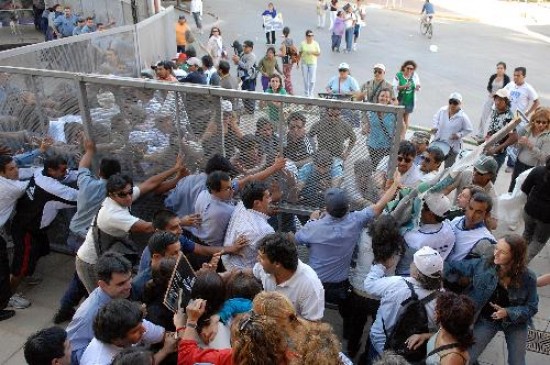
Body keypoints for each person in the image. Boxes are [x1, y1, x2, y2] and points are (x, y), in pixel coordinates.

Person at [76, 158, 186, 293]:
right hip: (90, 262)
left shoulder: (121, 199)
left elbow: (150, 183)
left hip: (102, 253)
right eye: (122, 194)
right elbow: (147, 227)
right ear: (111, 194)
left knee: (80, 291)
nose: (128, 197)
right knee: (103, 299)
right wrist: (182, 222)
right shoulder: (112, 214)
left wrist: (176, 171)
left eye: (130, 192)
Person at [295, 177, 401, 314]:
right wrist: (395, 185)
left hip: (314, 283)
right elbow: (379, 206)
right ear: (348, 207)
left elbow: (294, 240)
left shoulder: (314, 227)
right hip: (339, 287)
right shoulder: (355, 220)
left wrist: (312, 220)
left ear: (326, 208)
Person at [54, 139, 121, 324]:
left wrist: (89, 150)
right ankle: (84, 313)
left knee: (82, 275)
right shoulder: (114, 192)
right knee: (89, 279)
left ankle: (66, 308)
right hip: (90, 241)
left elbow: (83, 165)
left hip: (74, 235)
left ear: (99, 172)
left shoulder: (87, 183)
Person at [444, 235, 538, 365]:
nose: (496, 254)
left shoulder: (528, 278)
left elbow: (532, 307)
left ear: (515, 257)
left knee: (517, 361)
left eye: (503, 252)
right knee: (465, 359)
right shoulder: (483, 265)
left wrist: (508, 312)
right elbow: (454, 266)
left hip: (515, 323)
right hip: (487, 320)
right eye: (496, 248)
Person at [10, 155, 78, 307]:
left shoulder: (39, 172)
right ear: (51, 170)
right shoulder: (53, 189)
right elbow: (79, 198)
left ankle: (26, 274)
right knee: (21, 264)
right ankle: (8, 295)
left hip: (30, 226)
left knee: (40, 250)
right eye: (61, 170)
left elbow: (67, 177)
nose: (65, 173)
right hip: (26, 230)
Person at [364, 246, 443, 363]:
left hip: (381, 343)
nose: (411, 264)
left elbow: (369, 285)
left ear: (417, 273)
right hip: (410, 352)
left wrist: (381, 265)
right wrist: (426, 336)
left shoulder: (396, 283)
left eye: (413, 263)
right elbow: (443, 330)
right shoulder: (442, 298)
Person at [346, 215, 404, 359]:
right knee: (375, 329)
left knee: (356, 326)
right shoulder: (398, 247)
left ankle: (351, 351)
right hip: (380, 296)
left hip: (358, 291)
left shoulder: (365, 235)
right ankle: (366, 356)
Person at [175, 301, 290, 365]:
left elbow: (186, 358)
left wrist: (189, 322)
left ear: (238, 346)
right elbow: (236, 303)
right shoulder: (291, 357)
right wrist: (219, 317)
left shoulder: (231, 358)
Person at [67, 253, 133, 363]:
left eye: (130, 279)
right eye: (121, 284)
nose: (129, 286)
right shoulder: (89, 315)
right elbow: (73, 352)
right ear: (102, 284)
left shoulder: (116, 296)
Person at [252, 233, 325, 321]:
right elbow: (253, 272)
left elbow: (313, 326)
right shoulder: (264, 268)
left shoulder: (310, 285)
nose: (258, 259)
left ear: (277, 264)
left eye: (262, 258)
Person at [80, 299, 175, 365]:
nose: (144, 330)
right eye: (135, 331)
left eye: (141, 324)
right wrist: (165, 351)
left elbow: (166, 336)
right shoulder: (100, 361)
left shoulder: (133, 323)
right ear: (116, 339)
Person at [0, 155, 31, 319]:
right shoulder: (13, 188)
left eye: (16, 167)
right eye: (11, 169)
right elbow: (32, 182)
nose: (16, 170)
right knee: (2, 271)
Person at [396, 192, 454, 276]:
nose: (420, 208)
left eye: (422, 206)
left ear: (430, 214)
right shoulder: (450, 230)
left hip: (406, 276)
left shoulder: (412, 237)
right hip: (431, 276)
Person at [222, 181, 275, 270]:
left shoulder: (242, 204)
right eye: (267, 197)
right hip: (242, 273)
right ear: (257, 203)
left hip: (227, 262)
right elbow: (271, 261)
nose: (271, 199)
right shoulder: (265, 231)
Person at [425, 292, 474, 365]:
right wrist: (424, 336)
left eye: (437, 309)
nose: (435, 311)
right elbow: (439, 336)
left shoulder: (452, 359)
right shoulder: (445, 329)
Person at [508, 107, 550, 192]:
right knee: (512, 188)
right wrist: (518, 143)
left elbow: (545, 158)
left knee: (524, 192)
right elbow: (514, 146)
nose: (541, 124)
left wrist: (531, 146)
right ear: (533, 121)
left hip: (532, 168)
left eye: (544, 122)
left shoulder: (547, 136)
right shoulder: (526, 129)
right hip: (519, 164)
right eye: (538, 121)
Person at [446, 191, 496, 262]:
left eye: (478, 212)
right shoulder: (457, 220)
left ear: (486, 215)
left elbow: (488, 266)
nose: (471, 215)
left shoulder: (483, 241)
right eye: (470, 208)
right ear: (466, 206)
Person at [430, 92, 473, 168]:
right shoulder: (442, 110)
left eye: (455, 103)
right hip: (439, 141)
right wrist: (435, 126)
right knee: (434, 164)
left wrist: (459, 135)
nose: (452, 105)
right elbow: (435, 118)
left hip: (452, 146)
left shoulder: (463, 117)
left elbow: (469, 129)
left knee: (448, 168)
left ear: (460, 103)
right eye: (451, 102)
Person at [520, 155, 550, 261]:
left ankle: (514, 258)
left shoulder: (538, 171)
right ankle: (520, 265)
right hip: (546, 219)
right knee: (538, 241)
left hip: (530, 209)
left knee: (527, 234)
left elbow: (524, 188)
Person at [483, 88, 517, 174]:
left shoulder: (508, 117)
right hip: (486, 150)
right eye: (496, 99)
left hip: (497, 155)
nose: (497, 102)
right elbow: (493, 130)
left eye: (501, 100)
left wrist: (496, 149)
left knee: (488, 179)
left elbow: (514, 137)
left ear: (506, 101)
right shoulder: (495, 111)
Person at [362, 88, 397, 170]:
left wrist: (400, 138)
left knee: (380, 168)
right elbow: (367, 126)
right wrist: (365, 129)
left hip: (386, 147)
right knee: (373, 167)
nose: (384, 98)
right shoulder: (371, 110)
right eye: (382, 96)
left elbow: (402, 126)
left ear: (389, 99)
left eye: (387, 97)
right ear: (378, 97)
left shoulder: (394, 112)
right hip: (372, 145)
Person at [478, 61, 510, 138]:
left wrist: (496, 94)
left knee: (494, 117)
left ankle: (490, 135)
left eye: (501, 68)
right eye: (498, 68)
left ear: (504, 69)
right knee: (483, 115)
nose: (499, 70)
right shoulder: (493, 76)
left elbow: (505, 89)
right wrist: (491, 92)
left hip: (499, 100)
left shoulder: (506, 79)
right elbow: (489, 86)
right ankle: (480, 134)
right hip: (490, 98)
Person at [393, 60, 421, 134]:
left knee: (406, 119)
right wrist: (404, 86)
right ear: (404, 68)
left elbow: (417, 85)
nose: (409, 70)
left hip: (409, 100)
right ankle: (399, 135)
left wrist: (417, 87)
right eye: (408, 68)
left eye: (411, 69)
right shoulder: (398, 75)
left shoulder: (415, 75)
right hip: (400, 100)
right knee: (399, 119)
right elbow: (395, 87)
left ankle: (403, 135)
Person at [232, 40, 257, 113]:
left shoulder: (252, 56)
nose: (244, 48)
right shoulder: (243, 53)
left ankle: (251, 110)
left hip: (249, 79)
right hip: (242, 78)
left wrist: (238, 61)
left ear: (251, 48)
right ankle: (246, 108)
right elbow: (238, 63)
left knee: (250, 94)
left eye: (246, 46)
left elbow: (247, 67)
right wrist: (236, 60)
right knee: (243, 93)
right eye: (243, 46)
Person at [299, 30, 321, 98]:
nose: (310, 37)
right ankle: (306, 93)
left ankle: (311, 92)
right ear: (306, 36)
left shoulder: (315, 44)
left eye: (312, 35)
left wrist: (312, 52)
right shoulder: (302, 43)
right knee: (305, 80)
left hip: (313, 63)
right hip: (304, 63)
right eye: (309, 35)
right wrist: (297, 62)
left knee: (312, 80)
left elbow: (318, 53)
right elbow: (300, 53)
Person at [279, 26, 295, 94]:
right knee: (288, 74)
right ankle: (287, 89)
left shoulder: (284, 42)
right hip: (291, 60)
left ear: (283, 33)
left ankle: (290, 90)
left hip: (285, 61)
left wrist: (276, 54)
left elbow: (283, 54)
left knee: (286, 76)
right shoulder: (291, 40)